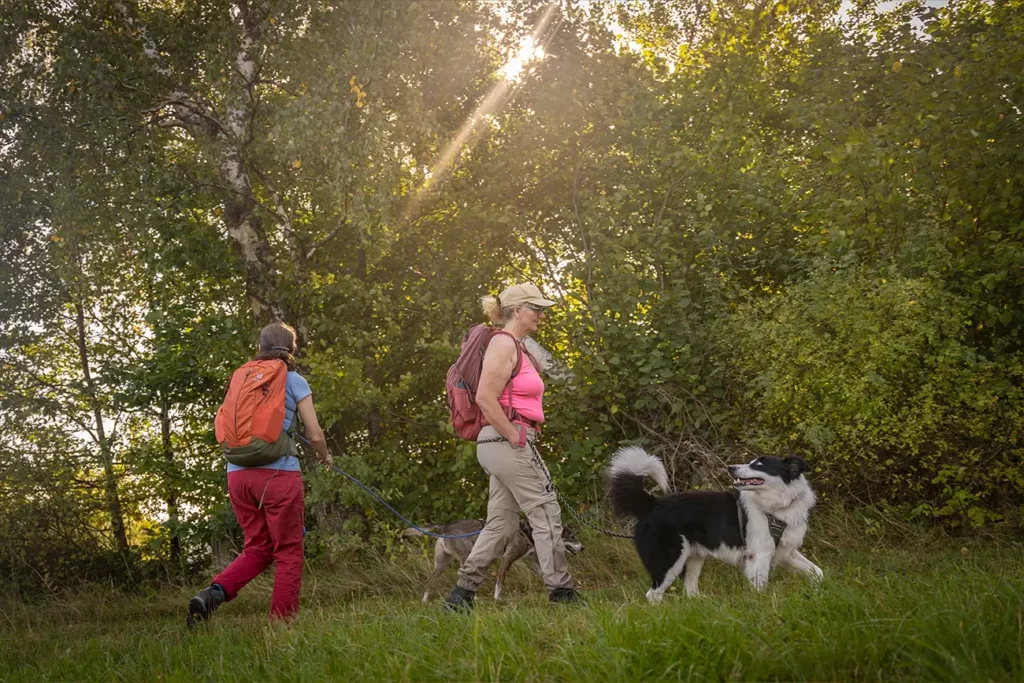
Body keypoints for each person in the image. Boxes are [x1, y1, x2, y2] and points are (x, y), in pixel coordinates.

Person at [444, 283, 582, 611]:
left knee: (502, 524)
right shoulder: (503, 344)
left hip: (504, 442)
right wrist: (514, 435)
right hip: (506, 440)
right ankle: (562, 591)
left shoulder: (517, 347)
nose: (541, 315)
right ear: (517, 311)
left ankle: (460, 596)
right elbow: (484, 397)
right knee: (545, 512)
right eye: (536, 308)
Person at [187, 322, 332, 627]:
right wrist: (325, 456)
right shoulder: (293, 380)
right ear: (291, 349)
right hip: (278, 476)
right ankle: (281, 624)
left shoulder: (242, 378)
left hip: (238, 476)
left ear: (260, 348)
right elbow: (315, 434)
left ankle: (213, 594)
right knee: (288, 550)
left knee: (258, 546)